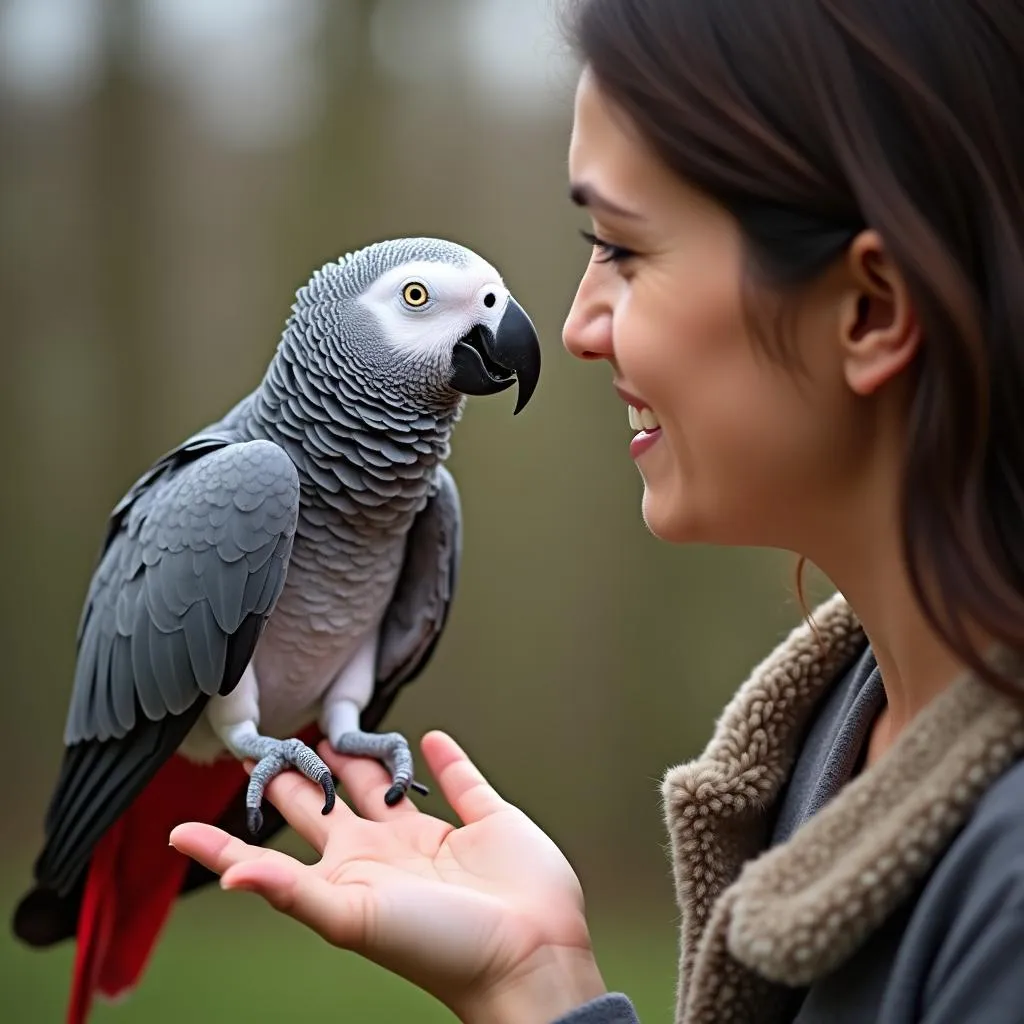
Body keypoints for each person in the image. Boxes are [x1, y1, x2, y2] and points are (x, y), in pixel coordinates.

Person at [169, 1, 1024, 1021]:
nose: (572, 326)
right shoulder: (842, 737)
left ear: (870, 311)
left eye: (620, 246)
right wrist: (533, 983)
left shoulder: (1004, 889)